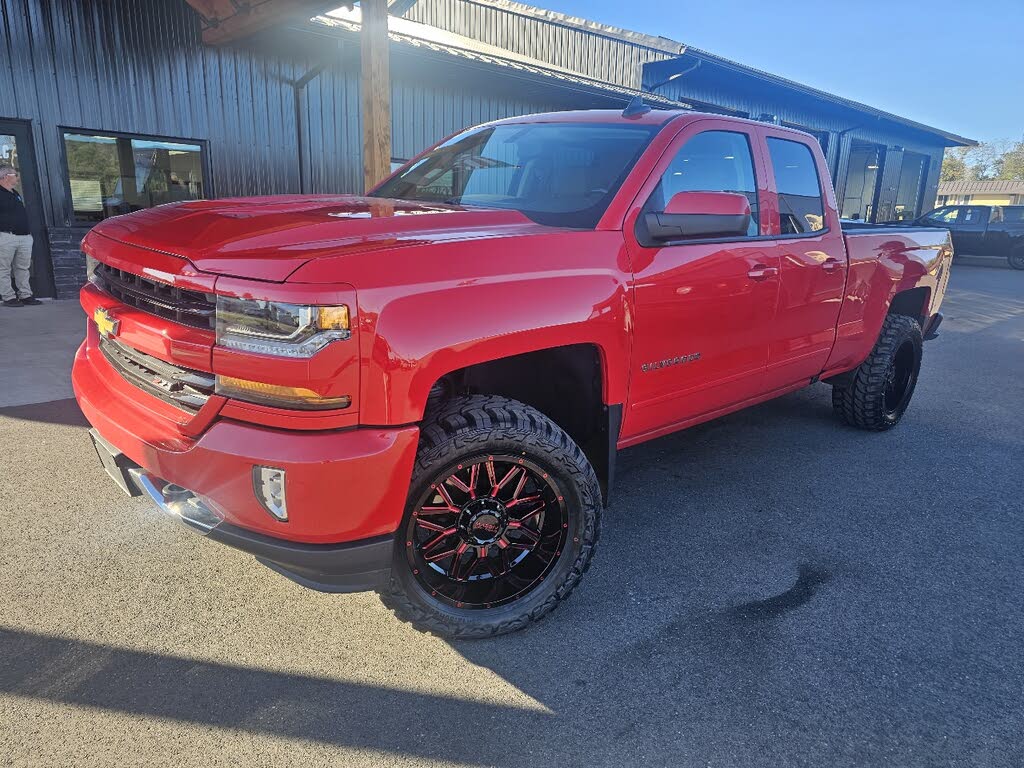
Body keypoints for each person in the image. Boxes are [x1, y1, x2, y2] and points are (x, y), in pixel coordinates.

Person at [0, 164, 40, 307]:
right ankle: (8, 297)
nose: (17, 178)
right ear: (5, 177)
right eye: (15, 175)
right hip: (6, 236)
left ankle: (25, 295)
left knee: (23, 268)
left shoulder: (15, 193)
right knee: (3, 268)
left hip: (24, 237)